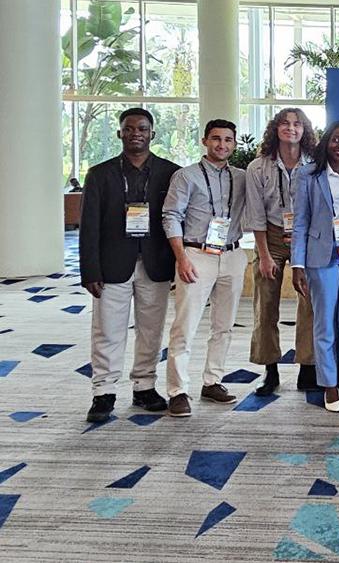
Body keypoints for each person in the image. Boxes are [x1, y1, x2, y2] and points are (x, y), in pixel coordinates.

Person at [80, 107, 181, 422]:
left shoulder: (170, 172)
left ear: (153, 134)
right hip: (112, 265)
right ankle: (103, 392)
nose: (136, 133)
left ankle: (144, 387)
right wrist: (90, 271)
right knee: (107, 331)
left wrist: (180, 264)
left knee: (151, 330)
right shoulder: (100, 174)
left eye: (142, 128)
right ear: (119, 133)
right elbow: (88, 226)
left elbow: (179, 220)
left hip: (156, 263)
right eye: (129, 128)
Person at [162, 119, 249, 417]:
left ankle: (213, 381)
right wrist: (181, 258)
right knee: (185, 326)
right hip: (196, 255)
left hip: (233, 255)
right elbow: (171, 216)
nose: (222, 145)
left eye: (227, 140)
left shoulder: (241, 177)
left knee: (224, 326)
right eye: (216, 139)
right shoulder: (186, 177)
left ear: (234, 144)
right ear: (204, 141)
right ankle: (177, 390)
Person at [291, 121, 339, 413]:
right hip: (321, 255)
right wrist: (297, 263)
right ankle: (328, 383)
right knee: (324, 321)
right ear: (327, 142)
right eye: (337, 140)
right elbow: (300, 222)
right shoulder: (308, 175)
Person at [244, 107, 318, 395]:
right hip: (271, 237)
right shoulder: (257, 167)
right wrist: (263, 255)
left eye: (297, 124)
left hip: (305, 236)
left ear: (305, 130)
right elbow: (255, 215)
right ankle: (269, 368)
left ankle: (307, 367)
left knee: (309, 302)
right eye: (285, 123)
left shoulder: (314, 164)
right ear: (276, 129)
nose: (291, 128)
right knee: (265, 304)